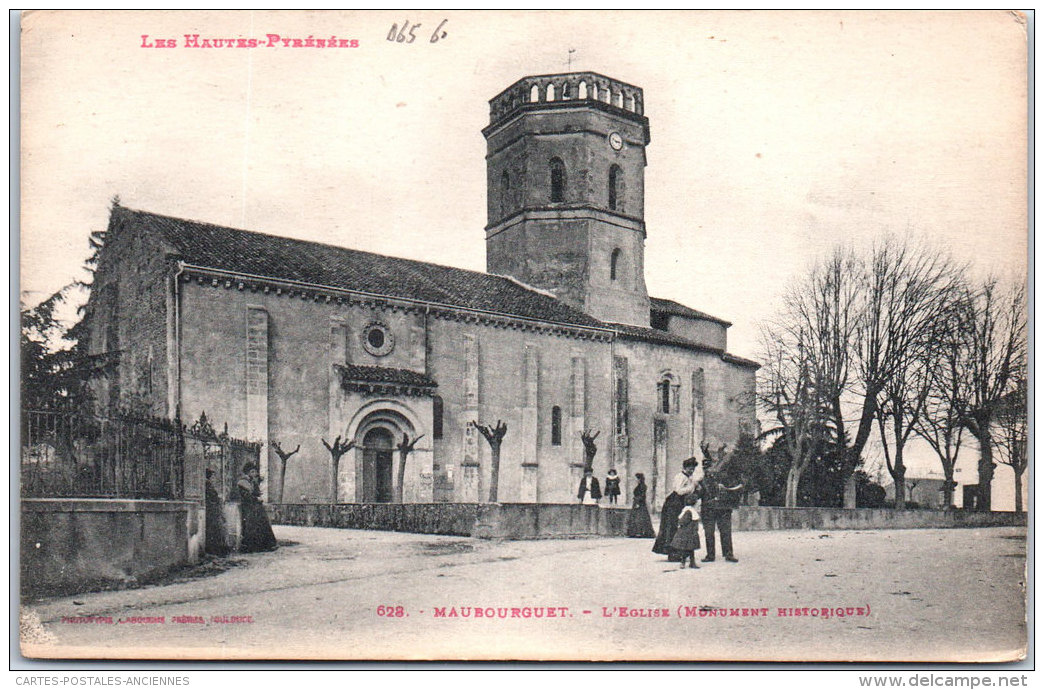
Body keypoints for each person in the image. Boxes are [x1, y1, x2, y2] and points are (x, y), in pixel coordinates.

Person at [700, 446, 743, 563]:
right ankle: (710, 555)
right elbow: (698, 494)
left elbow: (736, 488)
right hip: (708, 509)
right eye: (706, 468)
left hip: (723, 508)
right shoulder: (702, 481)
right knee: (709, 533)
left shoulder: (725, 478)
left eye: (709, 467)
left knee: (726, 532)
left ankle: (728, 554)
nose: (708, 470)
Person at [652, 457, 698, 559]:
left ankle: (679, 552)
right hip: (674, 503)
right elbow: (679, 490)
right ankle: (672, 553)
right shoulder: (680, 477)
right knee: (671, 527)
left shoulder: (689, 477)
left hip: (680, 503)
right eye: (690, 469)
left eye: (693, 469)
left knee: (679, 527)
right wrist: (692, 487)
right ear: (685, 468)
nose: (691, 471)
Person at [237, 462, 278, 553]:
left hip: (256, 505)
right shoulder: (242, 483)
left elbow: (256, 492)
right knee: (252, 525)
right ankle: (252, 547)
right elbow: (246, 496)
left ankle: (266, 545)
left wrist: (257, 495)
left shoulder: (252, 482)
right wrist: (256, 498)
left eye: (255, 472)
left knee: (263, 522)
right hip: (248, 506)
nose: (254, 474)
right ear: (247, 472)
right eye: (252, 472)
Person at [669, 493, 702, 569]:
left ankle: (690, 562)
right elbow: (682, 521)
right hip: (687, 534)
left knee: (690, 549)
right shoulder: (689, 511)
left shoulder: (690, 510)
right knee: (687, 549)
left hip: (690, 533)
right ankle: (685, 562)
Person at [204, 468, 230, 556]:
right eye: (213, 477)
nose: (214, 479)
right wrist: (218, 499)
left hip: (213, 510)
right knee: (215, 530)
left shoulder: (208, 484)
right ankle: (216, 550)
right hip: (212, 510)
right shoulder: (207, 484)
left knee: (215, 530)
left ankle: (216, 550)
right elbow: (212, 497)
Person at [626, 473, 656, 538]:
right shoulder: (640, 485)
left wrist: (638, 502)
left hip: (640, 503)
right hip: (637, 502)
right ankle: (636, 532)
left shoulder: (642, 486)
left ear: (639, 479)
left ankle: (640, 532)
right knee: (637, 518)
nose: (635, 480)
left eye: (636, 478)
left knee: (639, 518)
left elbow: (642, 495)